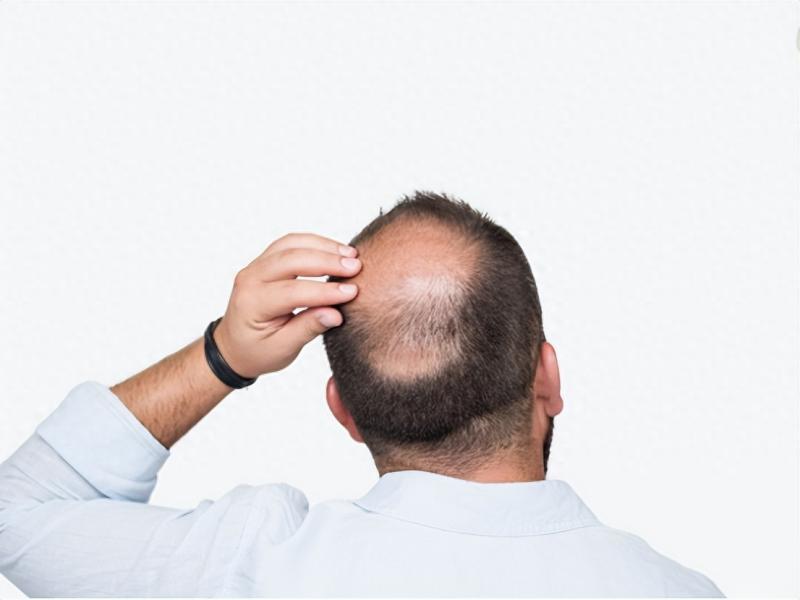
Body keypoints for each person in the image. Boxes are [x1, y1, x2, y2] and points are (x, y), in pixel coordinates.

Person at [0, 191, 723, 597]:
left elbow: (17, 513)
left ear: (342, 410)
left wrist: (223, 355)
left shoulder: (246, 569)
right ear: (548, 376)